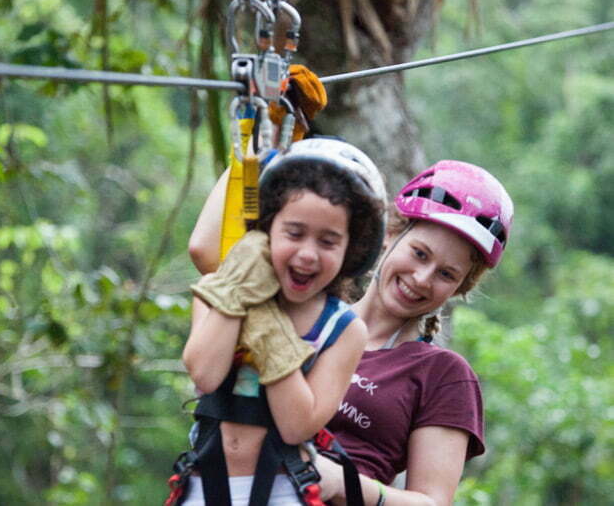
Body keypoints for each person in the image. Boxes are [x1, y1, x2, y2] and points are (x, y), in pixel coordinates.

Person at [189, 157, 514, 506]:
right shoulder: (303, 307)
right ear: (390, 234)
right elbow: (208, 255)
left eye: (446, 274)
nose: (422, 278)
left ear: (460, 288)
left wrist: (346, 484)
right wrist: (253, 146)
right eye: (419, 254)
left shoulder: (442, 375)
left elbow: (432, 501)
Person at [176, 138, 388, 505]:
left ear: (350, 250)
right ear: (266, 230)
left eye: (328, 241)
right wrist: (239, 291)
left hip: (283, 487)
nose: (307, 254)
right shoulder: (219, 290)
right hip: (203, 483)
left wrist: (266, 326)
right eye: (294, 233)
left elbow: (296, 425)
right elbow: (206, 374)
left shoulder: (343, 329)